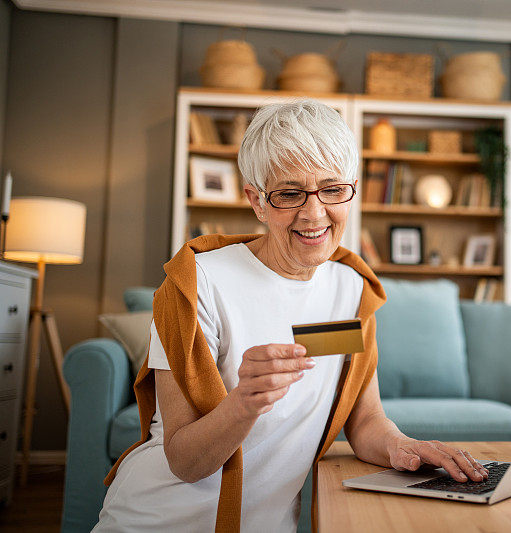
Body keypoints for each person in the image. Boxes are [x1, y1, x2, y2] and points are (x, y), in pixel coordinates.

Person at [94, 100, 488, 532]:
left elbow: (365, 418)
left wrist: (403, 446)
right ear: (256, 200)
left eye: (333, 189)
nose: (314, 213)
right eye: (288, 193)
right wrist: (244, 402)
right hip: (157, 521)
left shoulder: (352, 288)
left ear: (351, 190)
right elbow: (185, 461)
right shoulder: (196, 283)